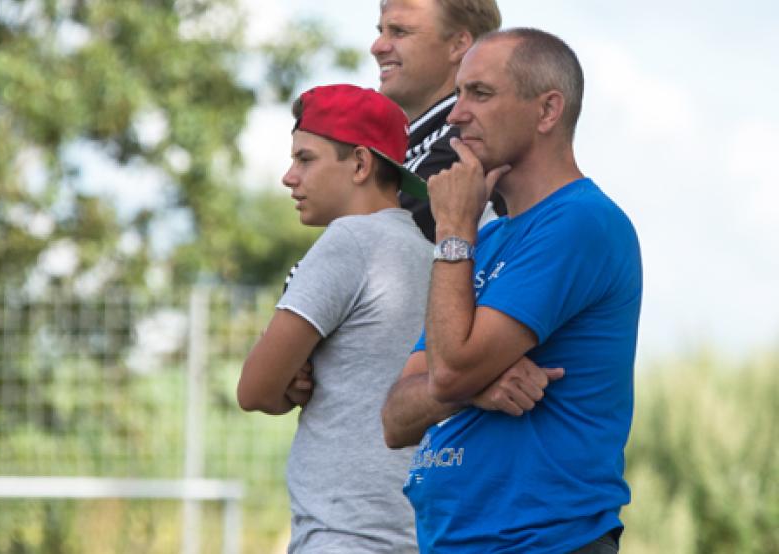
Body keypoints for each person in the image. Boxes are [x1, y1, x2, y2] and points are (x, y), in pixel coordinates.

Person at [390, 28, 643, 553]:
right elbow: (395, 416)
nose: (456, 114)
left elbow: (449, 369)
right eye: (458, 93)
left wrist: (453, 229)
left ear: (548, 110)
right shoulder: (486, 237)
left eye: (479, 93)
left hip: (543, 541)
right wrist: (472, 389)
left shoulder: (580, 222)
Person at [237, 84, 431, 553]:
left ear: (361, 165)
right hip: (413, 530)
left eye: (306, 159)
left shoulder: (349, 241)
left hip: (343, 532)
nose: (288, 176)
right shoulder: (429, 253)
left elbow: (254, 390)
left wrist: (286, 384)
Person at [371, 0, 504, 242]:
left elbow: (365, 251)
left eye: (399, 32)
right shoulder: (423, 143)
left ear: (458, 45)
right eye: (381, 32)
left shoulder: (462, 150)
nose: (377, 47)